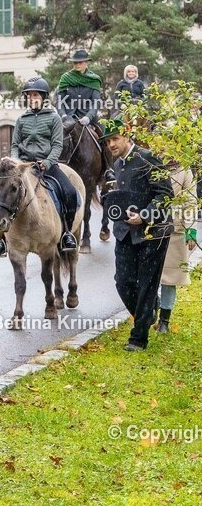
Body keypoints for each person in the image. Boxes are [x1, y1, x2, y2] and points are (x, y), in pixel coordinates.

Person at [101, 119, 173, 351]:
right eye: (108, 141)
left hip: (153, 232)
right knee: (122, 282)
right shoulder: (117, 165)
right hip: (124, 232)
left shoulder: (147, 158)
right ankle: (148, 311)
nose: (111, 144)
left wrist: (145, 215)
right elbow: (118, 196)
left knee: (146, 285)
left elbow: (165, 194)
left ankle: (138, 339)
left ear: (127, 136)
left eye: (115, 139)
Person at [0, 77, 80, 257]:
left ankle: (67, 233)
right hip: (24, 166)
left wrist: (47, 162)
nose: (32, 98)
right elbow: (15, 144)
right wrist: (16, 163)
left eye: (35, 95)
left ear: (43, 97)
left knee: (69, 192)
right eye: (29, 95)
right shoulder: (22, 119)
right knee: (0, 194)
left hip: (48, 164)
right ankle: (2, 238)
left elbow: (57, 145)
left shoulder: (54, 118)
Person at [157, 165, 198, 333]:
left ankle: (164, 320)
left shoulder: (184, 171)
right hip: (152, 227)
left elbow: (190, 201)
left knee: (169, 278)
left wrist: (191, 231)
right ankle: (151, 307)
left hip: (175, 229)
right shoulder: (150, 164)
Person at [56, 48, 104, 135]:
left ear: (86, 62)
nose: (77, 64)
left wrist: (88, 117)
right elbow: (59, 101)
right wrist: (63, 115)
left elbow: (96, 102)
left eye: (80, 62)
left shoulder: (95, 79)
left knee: (105, 134)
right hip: (68, 117)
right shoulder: (65, 78)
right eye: (75, 62)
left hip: (88, 116)